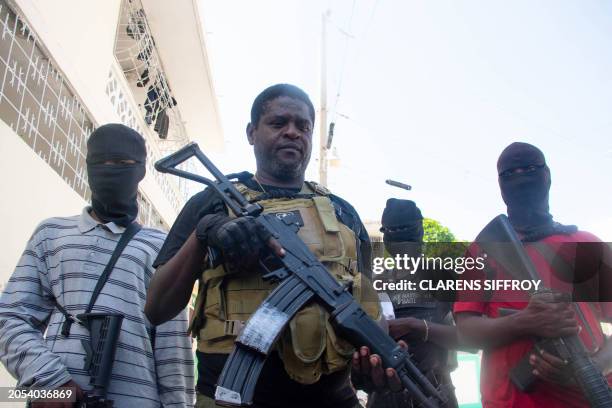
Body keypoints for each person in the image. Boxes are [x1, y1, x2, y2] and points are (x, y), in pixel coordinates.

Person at [145, 84, 394, 408]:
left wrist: (375, 359)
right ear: (252, 133)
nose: (292, 132)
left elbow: (369, 302)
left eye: (303, 126)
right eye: (279, 123)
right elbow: (156, 308)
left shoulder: (342, 212)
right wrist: (203, 234)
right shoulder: (211, 202)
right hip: (231, 399)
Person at [0, 124, 194, 407]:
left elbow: (171, 351)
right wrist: (50, 380)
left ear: (140, 170)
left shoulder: (162, 246)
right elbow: (10, 317)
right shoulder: (51, 233)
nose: (109, 170)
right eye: (99, 162)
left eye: (120, 163)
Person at [454, 142, 612, 407]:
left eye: (529, 168)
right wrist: (527, 322)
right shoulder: (484, 250)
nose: (520, 177)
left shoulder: (587, 244)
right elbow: (466, 331)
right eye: (509, 173)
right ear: (500, 186)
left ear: (547, 175)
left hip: (589, 397)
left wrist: (593, 365)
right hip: (509, 401)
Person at [367, 198, 459, 408]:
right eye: (393, 230)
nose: (400, 235)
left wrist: (416, 327)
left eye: (406, 228)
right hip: (385, 397)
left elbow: (471, 340)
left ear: (420, 230)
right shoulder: (375, 284)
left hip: (436, 394)